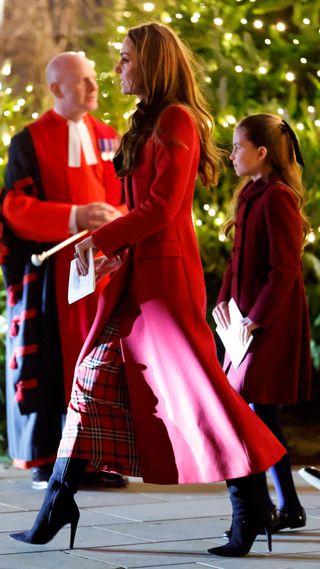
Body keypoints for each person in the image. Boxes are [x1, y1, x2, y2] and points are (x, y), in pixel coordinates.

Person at [10, 23, 286, 558]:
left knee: (203, 395)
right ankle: (59, 503)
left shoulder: (177, 118)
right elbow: (145, 208)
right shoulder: (150, 121)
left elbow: (162, 208)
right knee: (90, 381)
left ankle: (252, 504)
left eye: (125, 59)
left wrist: (99, 238)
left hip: (163, 282)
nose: (117, 69)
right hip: (138, 276)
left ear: (152, 64)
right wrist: (114, 248)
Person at [0, 51, 128, 490]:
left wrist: (115, 222)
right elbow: (14, 208)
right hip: (51, 278)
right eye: (83, 82)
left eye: (94, 80)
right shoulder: (28, 141)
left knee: (100, 362)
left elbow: (126, 200)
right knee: (54, 362)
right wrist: (75, 217)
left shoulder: (111, 139)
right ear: (56, 89)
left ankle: (96, 458)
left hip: (101, 272)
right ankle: (47, 459)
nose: (94, 88)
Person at [213, 113, 312, 536]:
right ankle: (285, 505)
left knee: (253, 409)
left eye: (237, 146)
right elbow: (238, 261)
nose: (231, 154)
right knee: (260, 412)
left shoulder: (277, 198)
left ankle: (271, 506)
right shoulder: (250, 194)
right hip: (245, 321)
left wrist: (256, 319)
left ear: (262, 152)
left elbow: (284, 268)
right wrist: (222, 302)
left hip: (268, 324)